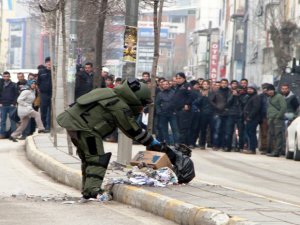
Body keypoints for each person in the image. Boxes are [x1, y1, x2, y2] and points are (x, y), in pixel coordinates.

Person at [57, 78, 159, 202]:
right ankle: (92, 191)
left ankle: (87, 189)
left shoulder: (107, 92)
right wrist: (152, 142)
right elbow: (132, 130)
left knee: (88, 159)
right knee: (97, 159)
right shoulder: (119, 105)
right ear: (135, 98)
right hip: (86, 129)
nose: (142, 108)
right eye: (142, 103)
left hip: (73, 125)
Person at [170, 72, 193, 145]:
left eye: (180, 78)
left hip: (184, 110)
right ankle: (180, 143)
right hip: (177, 110)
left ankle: (183, 144)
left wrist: (187, 104)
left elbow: (191, 96)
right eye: (177, 78)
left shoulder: (187, 86)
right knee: (179, 128)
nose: (178, 80)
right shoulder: (178, 86)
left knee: (183, 128)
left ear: (184, 78)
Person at [155, 80, 179, 145]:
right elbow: (157, 104)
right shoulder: (160, 94)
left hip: (172, 113)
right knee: (164, 129)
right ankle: (167, 142)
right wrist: (159, 111)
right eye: (164, 84)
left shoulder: (174, 92)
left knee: (175, 129)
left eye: (166, 84)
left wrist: (175, 111)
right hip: (163, 114)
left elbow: (177, 103)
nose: (165, 85)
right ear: (162, 85)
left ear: (169, 85)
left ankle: (176, 143)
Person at [266, 84, 287, 157]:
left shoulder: (279, 97)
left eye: (271, 90)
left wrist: (278, 116)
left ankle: (277, 151)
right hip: (271, 119)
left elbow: (283, 107)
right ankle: (273, 150)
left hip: (277, 119)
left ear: (274, 90)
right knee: (272, 135)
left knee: (278, 135)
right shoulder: (269, 98)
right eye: (268, 91)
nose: (270, 92)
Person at [243, 84, 261, 154]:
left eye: (251, 89)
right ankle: (250, 148)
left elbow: (256, 108)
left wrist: (250, 116)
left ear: (254, 90)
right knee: (249, 132)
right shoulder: (249, 97)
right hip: (249, 118)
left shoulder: (255, 97)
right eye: (248, 89)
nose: (249, 90)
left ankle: (252, 148)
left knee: (251, 133)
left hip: (253, 118)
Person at [0, 71, 18, 139]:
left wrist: (14, 103)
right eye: (4, 76)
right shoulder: (1, 84)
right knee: (3, 121)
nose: (6, 78)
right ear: (3, 77)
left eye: (7, 76)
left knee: (13, 120)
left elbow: (16, 94)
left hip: (11, 105)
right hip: (3, 105)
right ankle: (2, 134)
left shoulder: (13, 84)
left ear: (9, 77)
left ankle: (14, 134)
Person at [37, 57, 52, 131]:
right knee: (43, 111)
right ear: (46, 63)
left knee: (51, 111)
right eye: (48, 62)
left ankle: (49, 127)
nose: (49, 64)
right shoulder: (41, 72)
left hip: (52, 94)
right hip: (44, 94)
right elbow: (38, 82)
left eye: (50, 62)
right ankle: (42, 127)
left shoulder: (55, 71)